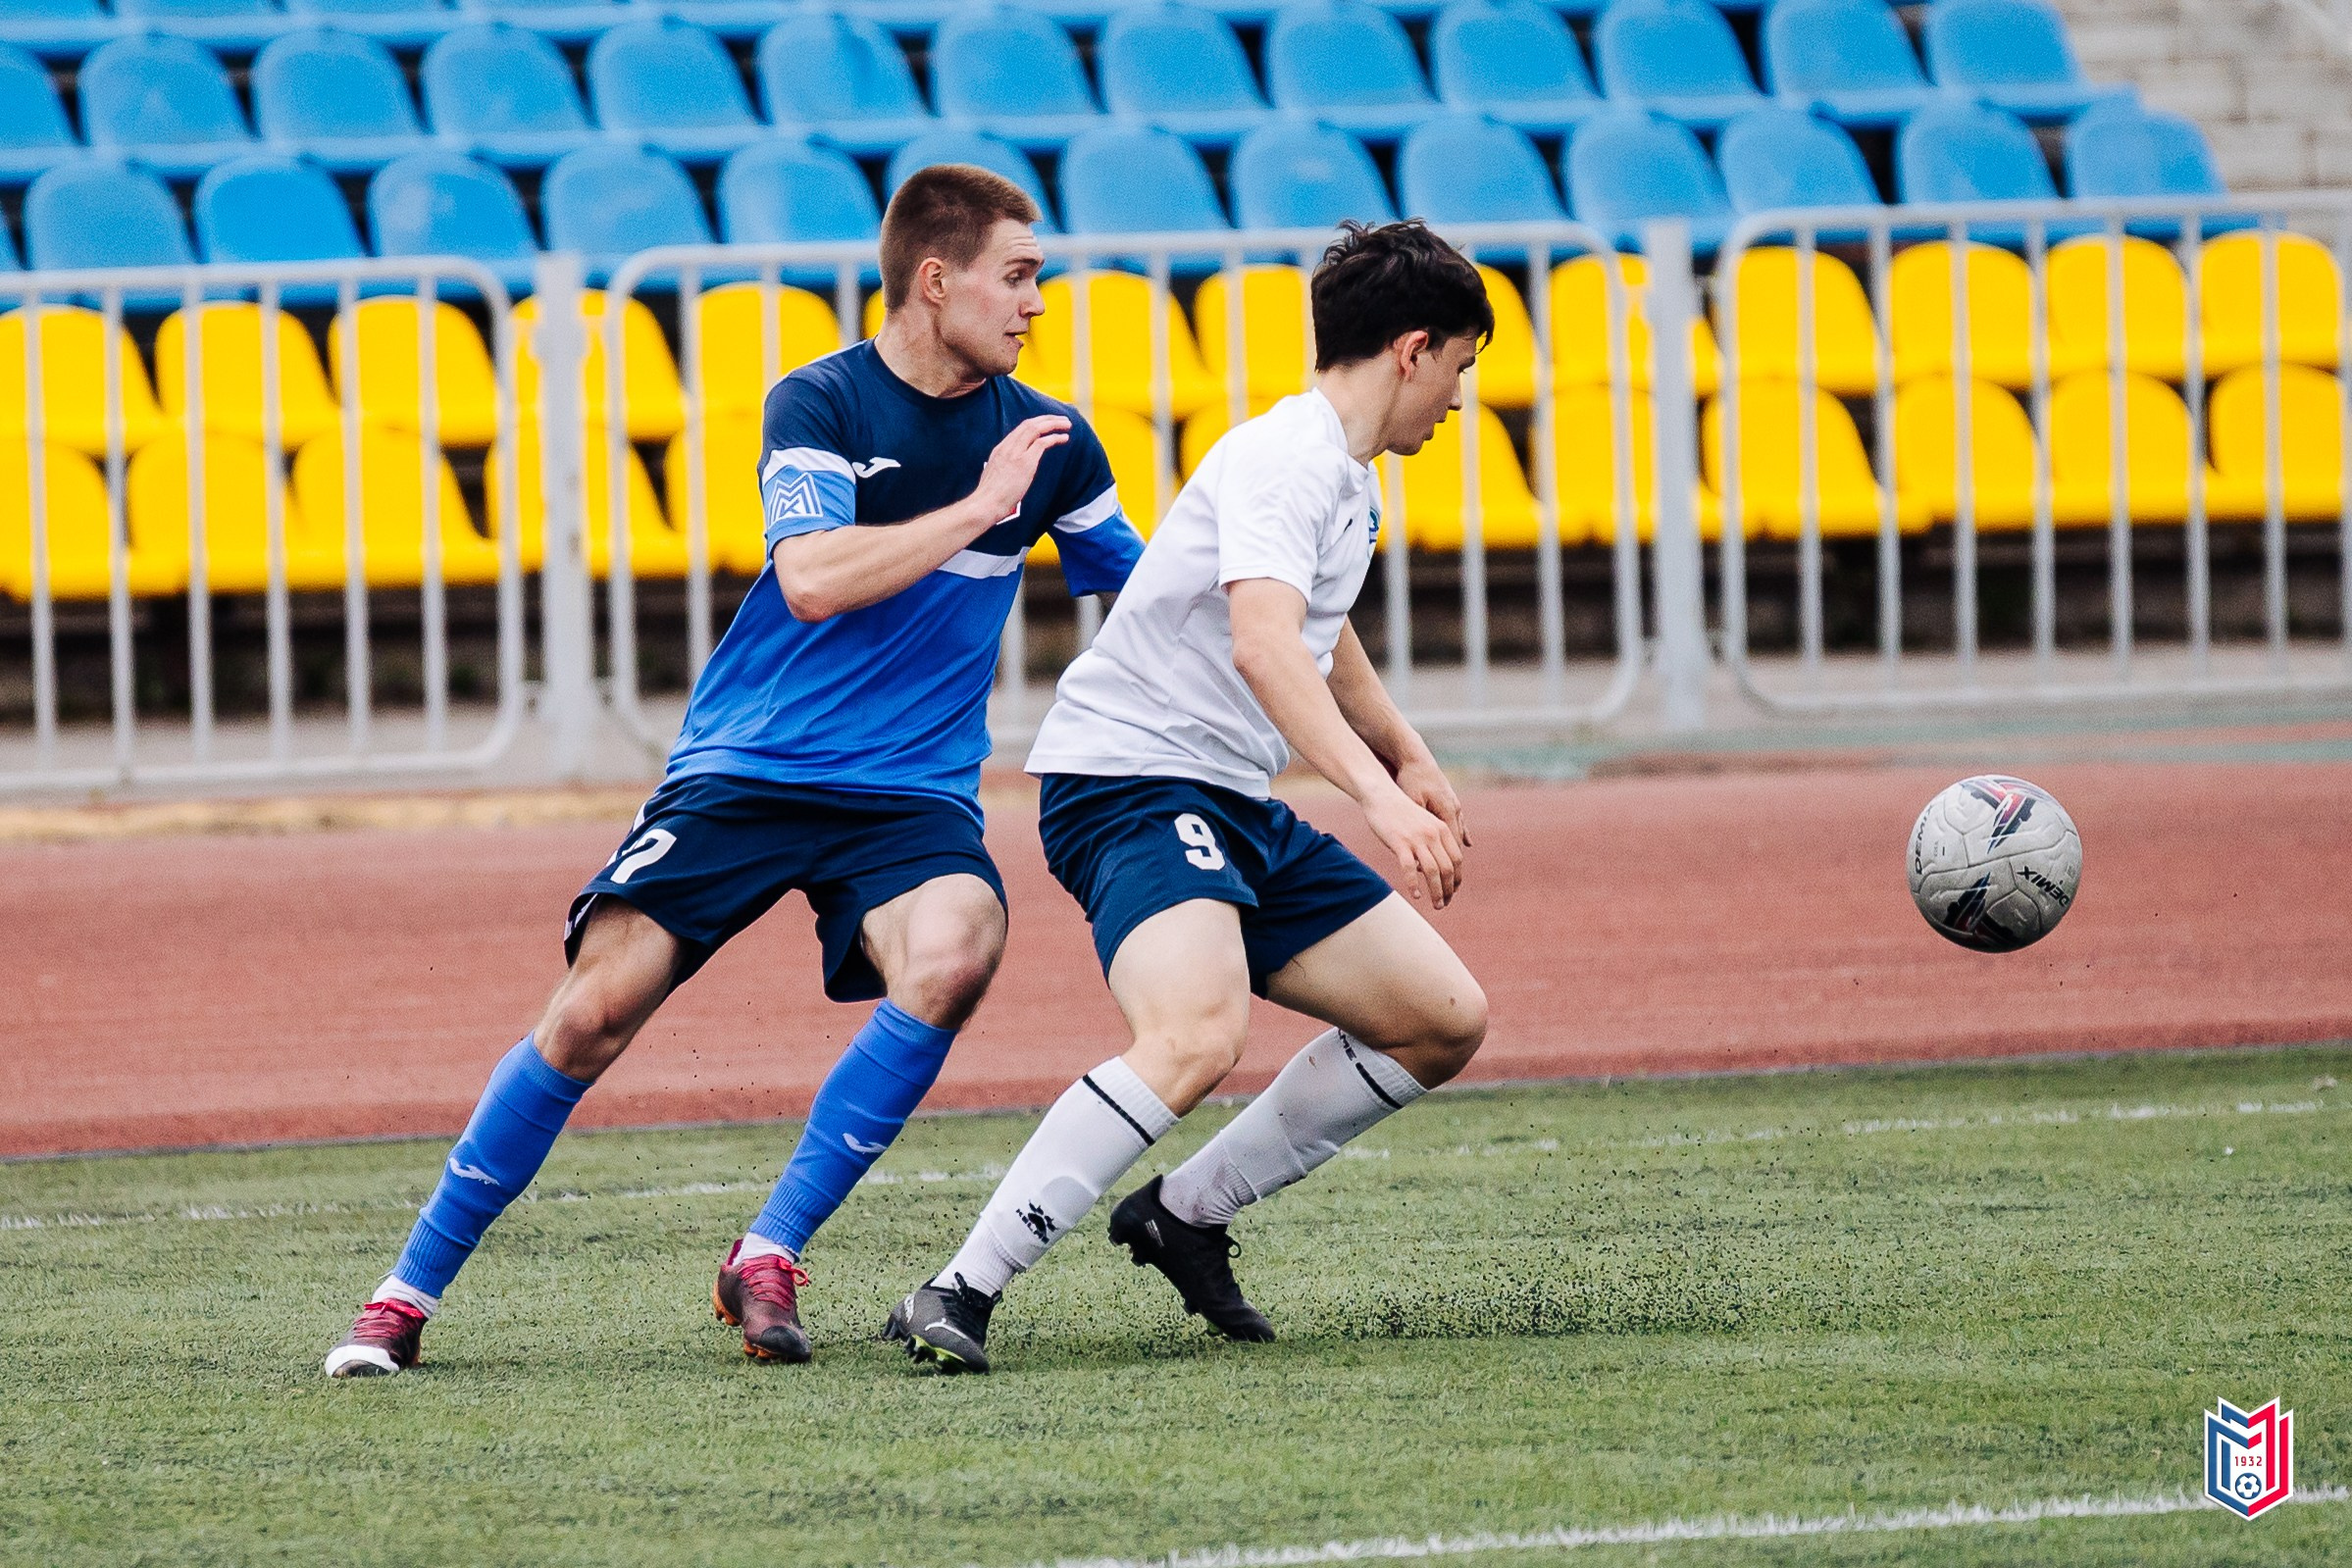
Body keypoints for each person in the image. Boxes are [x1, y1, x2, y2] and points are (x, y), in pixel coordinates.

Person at [324, 164, 1143, 1377]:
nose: (1036, 303)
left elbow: (1149, 597)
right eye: (1016, 276)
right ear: (935, 279)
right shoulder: (821, 403)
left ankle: (768, 1249)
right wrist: (979, 509)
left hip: (908, 799)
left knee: (959, 945)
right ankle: (402, 1298)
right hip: (750, 765)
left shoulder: (1052, 445)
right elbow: (811, 580)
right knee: (593, 1015)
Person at [885, 220, 1493, 1374]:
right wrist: (1379, 800)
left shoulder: (1343, 480)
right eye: (1461, 367)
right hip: (1128, 782)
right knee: (1195, 1034)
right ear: (1413, 350)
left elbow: (1319, 630)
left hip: (1223, 796)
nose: (1458, 400)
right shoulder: (1289, 458)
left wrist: (1406, 751)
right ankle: (956, 1288)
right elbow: (1269, 650)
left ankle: (1185, 1215)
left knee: (1440, 1021)